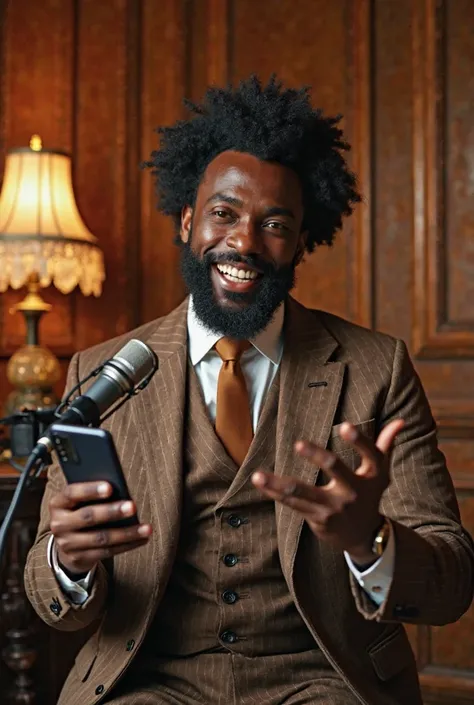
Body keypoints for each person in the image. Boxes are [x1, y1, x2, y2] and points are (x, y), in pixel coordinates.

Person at [25, 75, 473, 705]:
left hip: (322, 677)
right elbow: (55, 605)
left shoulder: (379, 368)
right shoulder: (100, 373)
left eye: (274, 224)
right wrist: (69, 562)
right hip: (151, 679)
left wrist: (370, 541)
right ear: (188, 220)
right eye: (223, 214)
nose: (243, 242)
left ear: (299, 243)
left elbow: (452, 584)